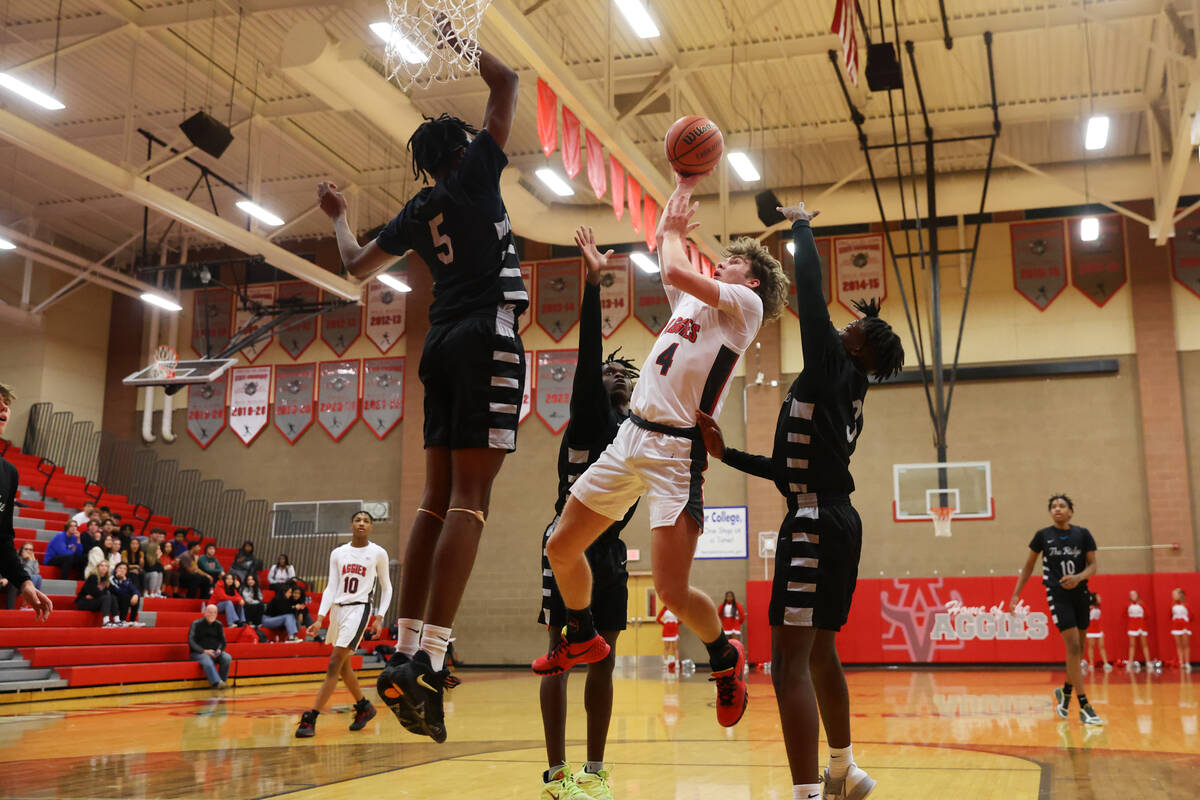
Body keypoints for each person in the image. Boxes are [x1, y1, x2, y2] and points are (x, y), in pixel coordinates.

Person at [533, 177, 789, 735]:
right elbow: (666, 259)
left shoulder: (744, 307)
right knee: (560, 545)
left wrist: (673, 232)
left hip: (675, 452)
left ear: (752, 278)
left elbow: (673, 265)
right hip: (631, 438)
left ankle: (724, 657)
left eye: (729, 264)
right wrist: (677, 189)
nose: (720, 267)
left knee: (671, 591)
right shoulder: (695, 305)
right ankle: (582, 634)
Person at [346, 30, 523, 746]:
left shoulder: (420, 212)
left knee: (432, 499)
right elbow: (506, 85)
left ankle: (405, 646)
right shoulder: (474, 171)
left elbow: (356, 263)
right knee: (471, 502)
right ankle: (430, 654)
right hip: (488, 334)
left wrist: (334, 216)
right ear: (461, 150)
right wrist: (461, 38)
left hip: (441, 340)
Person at [697, 202, 904, 800]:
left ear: (859, 350)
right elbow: (791, 467)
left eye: (852, 331)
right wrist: (728, 454)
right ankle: (843, 769)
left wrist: (802, 224)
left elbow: (810, 293)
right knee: (820, 656)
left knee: (788, 665)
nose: (841, 328)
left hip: (813, 520)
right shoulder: (846, 387)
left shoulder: (830, 366)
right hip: (832, 515)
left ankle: (806, 793)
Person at [535, 227, 638, 800]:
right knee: (560, 658)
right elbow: (589, 358)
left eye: (627, 372)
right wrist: (594, 285)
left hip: (612, 552)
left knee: (605, 660)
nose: (617, 373)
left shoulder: (637, 435)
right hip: (569, 543)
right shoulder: (585, 419)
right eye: (610, 371)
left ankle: (595, 772)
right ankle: (556, 776)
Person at [1009, 494, 1104, 726]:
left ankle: (1065, 694)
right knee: (1072, 646)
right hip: (1057, 594)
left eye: (1062, 506)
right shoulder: (1043, 536)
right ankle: (1084, 705)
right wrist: (1015, 594)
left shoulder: (1083, 534)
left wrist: (1079, 577)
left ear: (1071, 511)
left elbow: (1093, 566)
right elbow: (1029, 566)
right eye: (1053, 506)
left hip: (1081, 594)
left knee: (1078, 650)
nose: (1057, 509)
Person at [296, 511, 392, 738]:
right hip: (338, 610)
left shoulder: (378, 553)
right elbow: (331, 587)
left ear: (371, 527)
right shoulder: (338, 553)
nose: (361, 523)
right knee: (344, 666)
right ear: (351, 525)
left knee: (334, 662)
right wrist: (320, 618)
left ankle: (312, 718)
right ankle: (364, 706)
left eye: (366, 521)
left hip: (360, 609)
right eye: (358, 520)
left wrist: (379, 617)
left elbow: (387, 587)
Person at [188, 604, 232, 689]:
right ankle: (217, 682)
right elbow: (191, 641)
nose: (212, 614)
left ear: (216, 614)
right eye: (209, 612)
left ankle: (222, 681)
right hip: (198, 653)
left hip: (215, 652)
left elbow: (223, 642)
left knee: (227, 657)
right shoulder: (196, 624)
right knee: (206, 659)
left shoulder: (218, 624)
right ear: (205, 613)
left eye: (214, 613)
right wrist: (204, 651)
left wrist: (219, 649)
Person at [75, 559, 119, 627]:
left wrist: (115, 578)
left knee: (112, 597)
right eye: (101, 566)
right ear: (98, 567)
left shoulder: (107, 579)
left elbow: (113, 591)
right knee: (107, 597)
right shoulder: (93, 576)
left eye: (106, 566)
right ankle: (105, 622)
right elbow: (94, 592)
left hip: (94, 600)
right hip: (84, 601)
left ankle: (117, 620)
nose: (104, 567)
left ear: (108, 569)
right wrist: (99, 594)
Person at [4, 542, 42, 609]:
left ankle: (32, 603)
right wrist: (30, 561)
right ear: (22, 550)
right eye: (26, 549)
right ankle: (27, 604)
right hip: (16, 583)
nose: (28, 551)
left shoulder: (32, 560)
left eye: (30, 550)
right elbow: (24, 575)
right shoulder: (17, 559)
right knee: (34, 577)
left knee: (38, 577)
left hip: (25, 585)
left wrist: (32, 561)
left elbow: (36, 573)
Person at [1084, 593, 1111, 672]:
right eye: (1098, 597)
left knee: (1102, 647)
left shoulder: (1098, 607)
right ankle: (1091, 664)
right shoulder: (1089, 607)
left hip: (1098, 630)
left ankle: (1106, 663)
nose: (1100, 598)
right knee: (1091, 647)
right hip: (1091, 631)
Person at [1127, 589, 1153, 670]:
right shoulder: (1128, 605)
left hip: (1141, 626)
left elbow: (1148, 614)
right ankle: (1130, 662)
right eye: (1131, 595)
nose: (1133, 596)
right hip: (1132, 627)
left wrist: (1140, 620)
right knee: (1132, 645)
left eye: (1134, 594)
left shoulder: (1142, 605)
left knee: (1144, 645)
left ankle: (1148, 662)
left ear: (1137, 595)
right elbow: (1125, 614)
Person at [109, 562, 142, 627]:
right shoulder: (112, 578)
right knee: (125, 596)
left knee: (135, 597)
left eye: (124, 569)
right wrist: (124, 581)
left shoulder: (127, 579)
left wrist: (135, 595)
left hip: (123, 599)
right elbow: (118, 591)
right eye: (120, 568)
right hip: (114, 599)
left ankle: (132, 621)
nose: (122, 570)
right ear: (115, 569)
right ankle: (122, 620)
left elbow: (135, 590)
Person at [141, 529, 167, 598]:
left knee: (160, 573)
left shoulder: (157, 559)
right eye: (158, 549)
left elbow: (161, 570)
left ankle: (157, 591)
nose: (160, 551)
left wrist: (158, 558)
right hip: (146, 575)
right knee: (155, 573)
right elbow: (150, 569)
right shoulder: (147, 558)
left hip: (152, 574)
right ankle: (150, 592)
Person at [1171, 588, 1191, 672]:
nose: (1173, 596)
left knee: (1185, 645)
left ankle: (1187, 662)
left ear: (1180, 595)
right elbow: (1170, 614)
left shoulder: (1186, 605)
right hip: (1176, 627)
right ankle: (1181, 662)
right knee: (1178, 645)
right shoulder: (1172, 605)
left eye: (1175, 594)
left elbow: (1191, 615)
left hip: (1185, 627)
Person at [657, 605, 680, 673]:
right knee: (666, 647)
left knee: (675, 648)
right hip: (666, 631)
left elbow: (683, 618)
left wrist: (676, 624)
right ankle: (665, 663)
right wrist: (665, 624)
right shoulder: (664, 609)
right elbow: (658, 619)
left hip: (674, 630)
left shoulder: (677, 608)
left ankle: (677, 664)